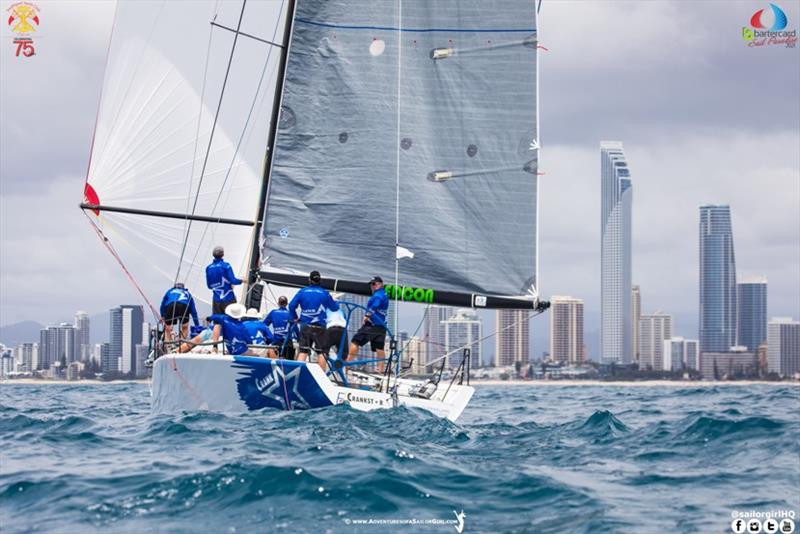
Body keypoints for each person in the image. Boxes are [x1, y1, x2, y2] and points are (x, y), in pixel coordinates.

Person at [288, 271, 339, 366]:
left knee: (303, 351)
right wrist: (334, 301)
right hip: (320, 327)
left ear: (309, 280)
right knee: (322, 352)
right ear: (320, 281)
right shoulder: (325, 293)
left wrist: (295, 318)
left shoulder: (302, 291)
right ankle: (321, 376)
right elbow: (335, 308)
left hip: (305, 326)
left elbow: (291, 306)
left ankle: (297, 374)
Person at [349, 276, 389, 373]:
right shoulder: (384, 294)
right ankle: (381, 371)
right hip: (381, 327)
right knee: (379, 348)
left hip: (372, 325)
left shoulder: (378, 295)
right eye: (371, 284)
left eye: (374, 284)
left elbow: (375, 305)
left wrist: (367, 316)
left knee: (355, 341)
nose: (372, 286)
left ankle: (346, 365)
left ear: (380, 284)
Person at [206, 245, 243, 315]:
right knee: (232, 321)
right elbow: (233, 281)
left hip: (216, 300)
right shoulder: (226, 266)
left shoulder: (208, 268)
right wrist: (242, 281)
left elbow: (209, 286)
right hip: (228, 299)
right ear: (223, 254)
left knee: (217, 323)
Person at [323, 305, 348, 371]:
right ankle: (341, 372)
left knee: (323, 352)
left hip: (330, 329)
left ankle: (323, 372)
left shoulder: (325, 310)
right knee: (344, 354)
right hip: (342, 330)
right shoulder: (341, 311)